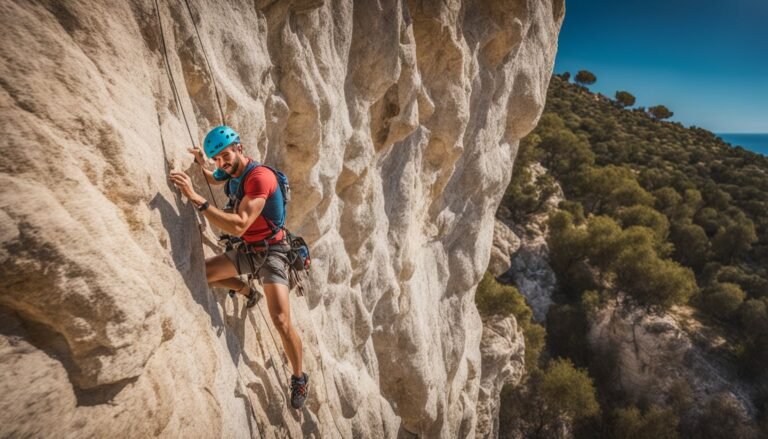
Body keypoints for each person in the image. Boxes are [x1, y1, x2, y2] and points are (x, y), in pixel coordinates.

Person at [169, 126, 309, 410]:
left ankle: (299, 377)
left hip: (273, 253)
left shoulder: (259, 178)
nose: (222, 162)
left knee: (281, 321)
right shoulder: (231, 172)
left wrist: (196, 198)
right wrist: (202, 163)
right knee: (204, 274)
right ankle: (247, 290)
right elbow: (216, 177)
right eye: (217, 158)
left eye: (225, 156)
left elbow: (240, 223)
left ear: (240, 149)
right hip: (248, 249)